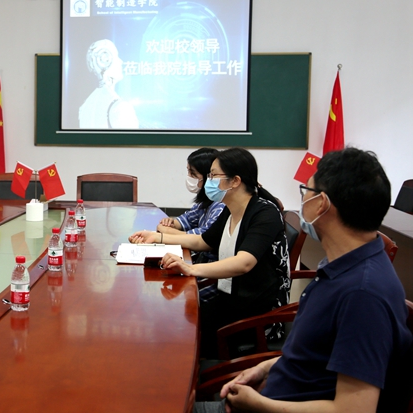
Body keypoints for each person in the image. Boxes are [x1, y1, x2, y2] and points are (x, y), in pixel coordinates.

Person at [195, 148, 413, 413]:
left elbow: (354, 409)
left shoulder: (362, 294)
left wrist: (259, 404)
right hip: (273, 390)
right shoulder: (340, 266)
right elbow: (314, 353)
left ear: (322, 204)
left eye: (305, 191)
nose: (302, 201)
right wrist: (266, 367)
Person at [129, 147, 289, 357]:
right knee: (170, 317)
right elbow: (203, 240)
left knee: (182, 328)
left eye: (213, 175)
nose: (208, 181)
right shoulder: (231, 208)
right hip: (229, 298)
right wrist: (156, 237)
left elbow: (244, 262)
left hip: (256, 312)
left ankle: (198, 374)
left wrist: (190, 269)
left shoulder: (264, 213)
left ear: (235, 181)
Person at [156, 147, 225, 264]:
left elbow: (203, 238)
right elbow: (187, 219)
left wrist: (166, 232)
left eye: (192, 173)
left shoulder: (220, 205)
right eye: (188, 171)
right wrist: (171, 223)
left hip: (211, 266)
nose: (189, 176)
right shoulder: (205, 201)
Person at [78, 39, 139, 129]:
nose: (121, 61)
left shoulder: (84, 107)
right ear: (105, 63)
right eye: (116, 56)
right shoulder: (120, 108)